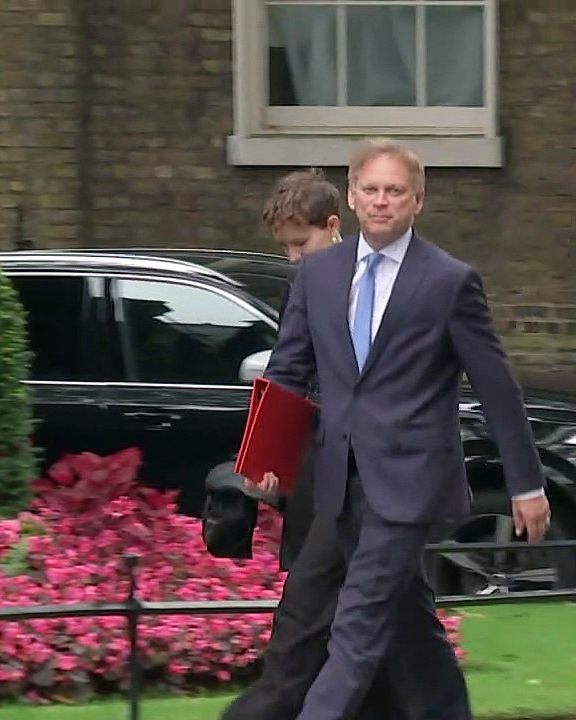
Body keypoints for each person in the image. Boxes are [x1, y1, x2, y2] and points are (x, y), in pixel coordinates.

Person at [262, 138, 553, 720]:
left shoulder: (449, 281)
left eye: (395, 191)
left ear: (417, 201)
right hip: (342, 481)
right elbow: (288, 370)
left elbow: (496, 387)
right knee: (410, 621)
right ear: (351, 196)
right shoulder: (318, 274)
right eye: (370, 189)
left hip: (412, 483)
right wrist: (269, 456)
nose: (381, 201)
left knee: (357, 625)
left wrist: (526, 484)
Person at [207, 168, 413, 720]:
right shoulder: (301, 286)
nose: (294, 257)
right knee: (369, 633)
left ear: (333, 226)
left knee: (315, 630)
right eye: (286, 247)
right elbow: (287, 374)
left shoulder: (388, 282)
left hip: (374, 484)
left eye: (301, 243)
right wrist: (267, 461)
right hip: (321, 480)